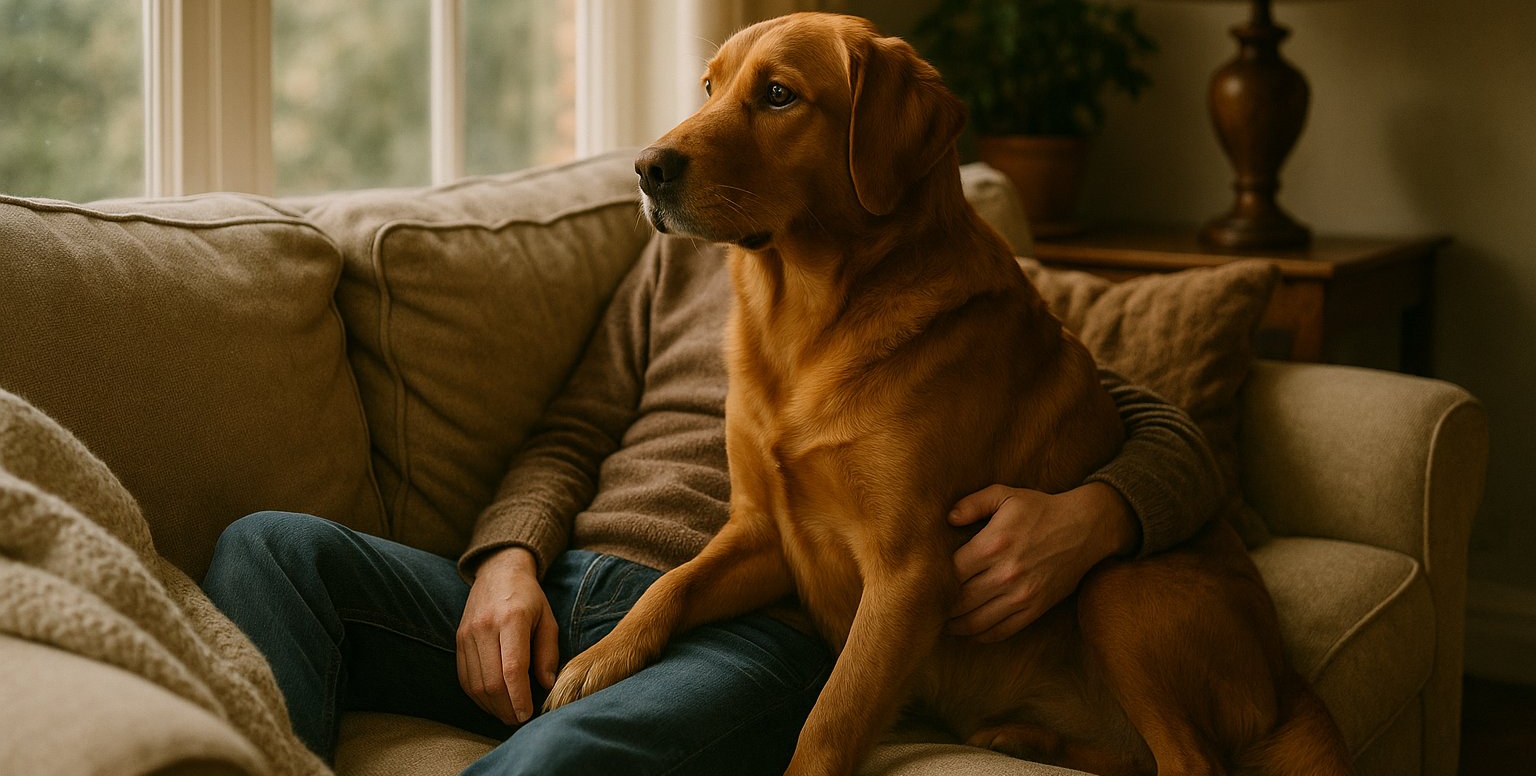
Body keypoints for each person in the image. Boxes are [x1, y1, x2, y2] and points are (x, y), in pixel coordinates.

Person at [203, 236, 1223, 776]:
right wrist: (507, 560)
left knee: (565, 762)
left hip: (753, 636)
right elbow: (572, 429)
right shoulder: (679, 254)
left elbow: (1153, 424)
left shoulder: (950, 292)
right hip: (564, 593)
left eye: (772, 102)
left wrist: (1096, 516)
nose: (701, 135)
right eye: (714, 94)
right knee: (270, 547)